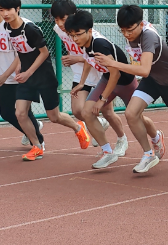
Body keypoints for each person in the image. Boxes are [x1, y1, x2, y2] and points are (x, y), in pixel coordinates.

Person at [96, 4, 168, 173]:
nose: (126, 34)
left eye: (130, 30)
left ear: (141, 24)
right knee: (131, 113)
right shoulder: (131, 35)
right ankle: (148, 154)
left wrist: (112, 63)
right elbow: (144, 69)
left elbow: (144, 69)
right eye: (122, 30)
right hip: (152, 80)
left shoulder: (149, 36)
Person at [0, 0, 89, 160]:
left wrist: (29, 72)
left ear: (17, 9)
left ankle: (78, 128)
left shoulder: (30, 29)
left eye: (8, 9)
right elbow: (21, 51)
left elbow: (44, 53)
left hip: (44, 76)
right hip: (26, 76)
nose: (5, 13)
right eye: (2, 10)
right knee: (20, 113)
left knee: (54, 116)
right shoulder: (7, 27)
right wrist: (19, 66)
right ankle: (37, 146)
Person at [65, 10, 156, 169]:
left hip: (125, 82)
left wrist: (102, 99)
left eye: (78, 34)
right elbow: (88, 60)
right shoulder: (86, 44)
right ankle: (108, 152)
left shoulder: (99, 44)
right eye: (72, 35)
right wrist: (81, 83)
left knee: (136, 117)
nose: (75, 39)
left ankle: (155, 138)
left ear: (89, 31)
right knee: (87, 112)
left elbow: (116, 73)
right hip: (107, 79)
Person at [50, 0, 125, 150]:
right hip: (81, 72)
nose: (60, 23)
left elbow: (95, 55)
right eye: (56, 19)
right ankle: (100, 125)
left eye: (63, 19)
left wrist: (76, 58)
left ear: (74, 15)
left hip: (99, 72)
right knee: (78, 110)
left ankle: (122, 139)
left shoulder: (93, 36)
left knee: (107, 112)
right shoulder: (58, 29)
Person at [0, 0, 42, 150]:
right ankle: (32, 130)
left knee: (23, 112)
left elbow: (21, 54)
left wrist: (6, 74)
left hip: (19, 75)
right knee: (6, 112)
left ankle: (38, 140)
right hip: (2, 77)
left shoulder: (13, 26)